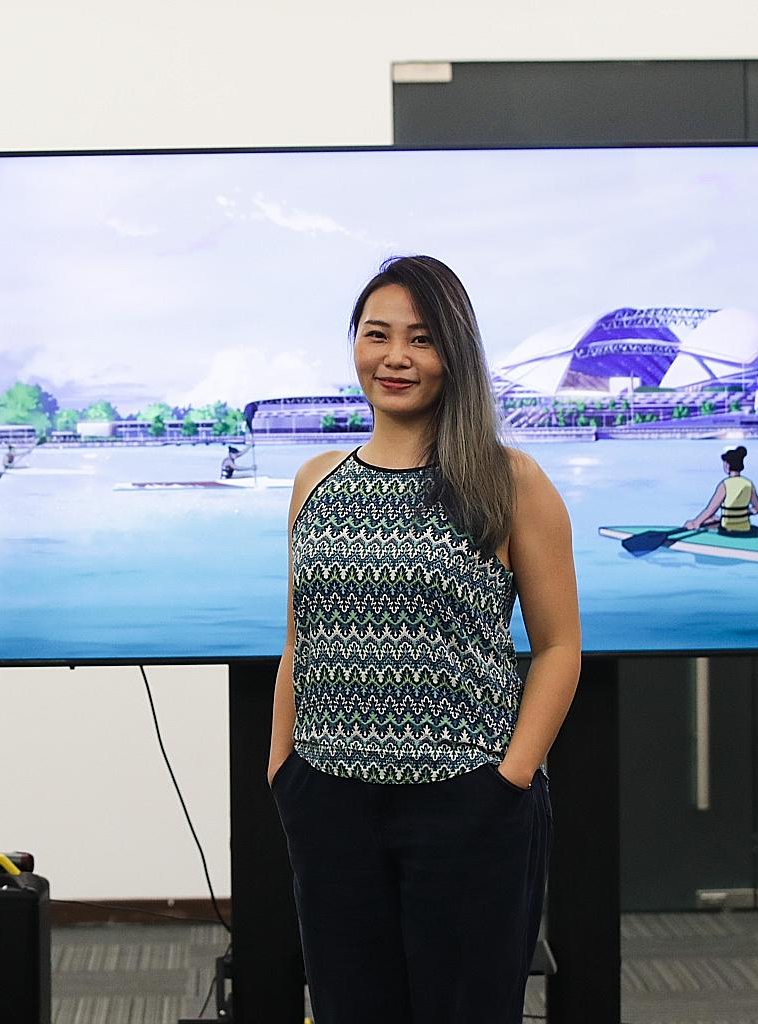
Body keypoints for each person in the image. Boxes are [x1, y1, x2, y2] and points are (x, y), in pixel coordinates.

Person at [265, 255, 581, 1022]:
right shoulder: (317, 480)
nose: (396, 357)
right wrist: (284, 768)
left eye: (422, 339)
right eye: (377, 335)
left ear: (455, 355)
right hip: (329, 800)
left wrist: (509, 779)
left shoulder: (509, 481)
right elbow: (301, 638)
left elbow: (559, 646)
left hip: (467, 802)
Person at [684, 445, 758, 533]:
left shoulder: (724, 485)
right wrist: (744, 512)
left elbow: (710, 510)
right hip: (744, 527)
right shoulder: (749, 484)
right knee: (714, 518)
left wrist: (695, 523)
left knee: (701, 521)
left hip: (727, 528)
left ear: (727, 465)